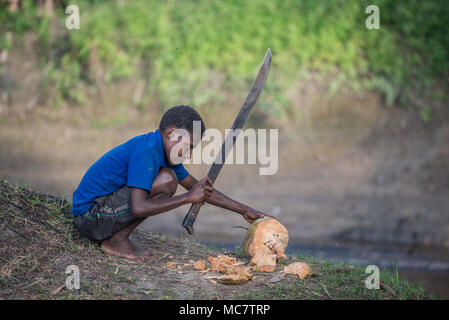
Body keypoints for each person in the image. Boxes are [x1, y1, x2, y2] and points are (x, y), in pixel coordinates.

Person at [71, 105, 267, 260]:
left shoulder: (165, 155)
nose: (189, 155)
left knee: (168, 178)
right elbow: (139, 208)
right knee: (167, 180)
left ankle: (116, 238)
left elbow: (201, 189)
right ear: (172, 134)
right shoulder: (147, 150)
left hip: (100, 213)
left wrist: (245, 210)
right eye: (188, 147)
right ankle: (117, 240)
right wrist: (188, 198)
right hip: (90, 218)